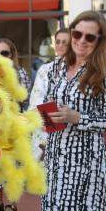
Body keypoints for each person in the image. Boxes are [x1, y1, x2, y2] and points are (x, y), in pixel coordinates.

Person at [38, 11, 106, 211]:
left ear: (99, 41)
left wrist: (78, 118)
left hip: (87, 163)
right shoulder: (56, 68)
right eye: (77, 34)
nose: (81, 41)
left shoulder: (105, 74)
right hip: (57, 158)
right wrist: (45, 118)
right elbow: (48, 105)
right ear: (70, 33)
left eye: (89, 37)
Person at [0, 38, 30, 211]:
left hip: (14, 127)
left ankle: (12, 204)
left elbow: (26, 100)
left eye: (4, 53)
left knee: (12, 167)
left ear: (12, 55)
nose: (0, 56)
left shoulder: (20, 74)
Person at [28, 29, 70, 160]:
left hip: (67, 133)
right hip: (43, 130)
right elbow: (36, 100)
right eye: (58, 42)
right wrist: (48, 122)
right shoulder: (44, 69)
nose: (61, 45)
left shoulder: (78, 71)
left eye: (65, 42)